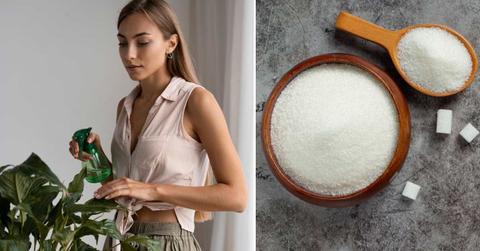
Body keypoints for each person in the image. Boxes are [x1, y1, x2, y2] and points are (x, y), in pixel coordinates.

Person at [68, 0, 247, 250]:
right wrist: (96, 159)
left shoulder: (195, 101)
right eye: (122, 42)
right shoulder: (125, 105)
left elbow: (237, 197)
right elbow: (129, 190)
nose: (129, 54)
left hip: (168, 241)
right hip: (120, 237)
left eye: (142, 42)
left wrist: (153, 191)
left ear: (171, 44)